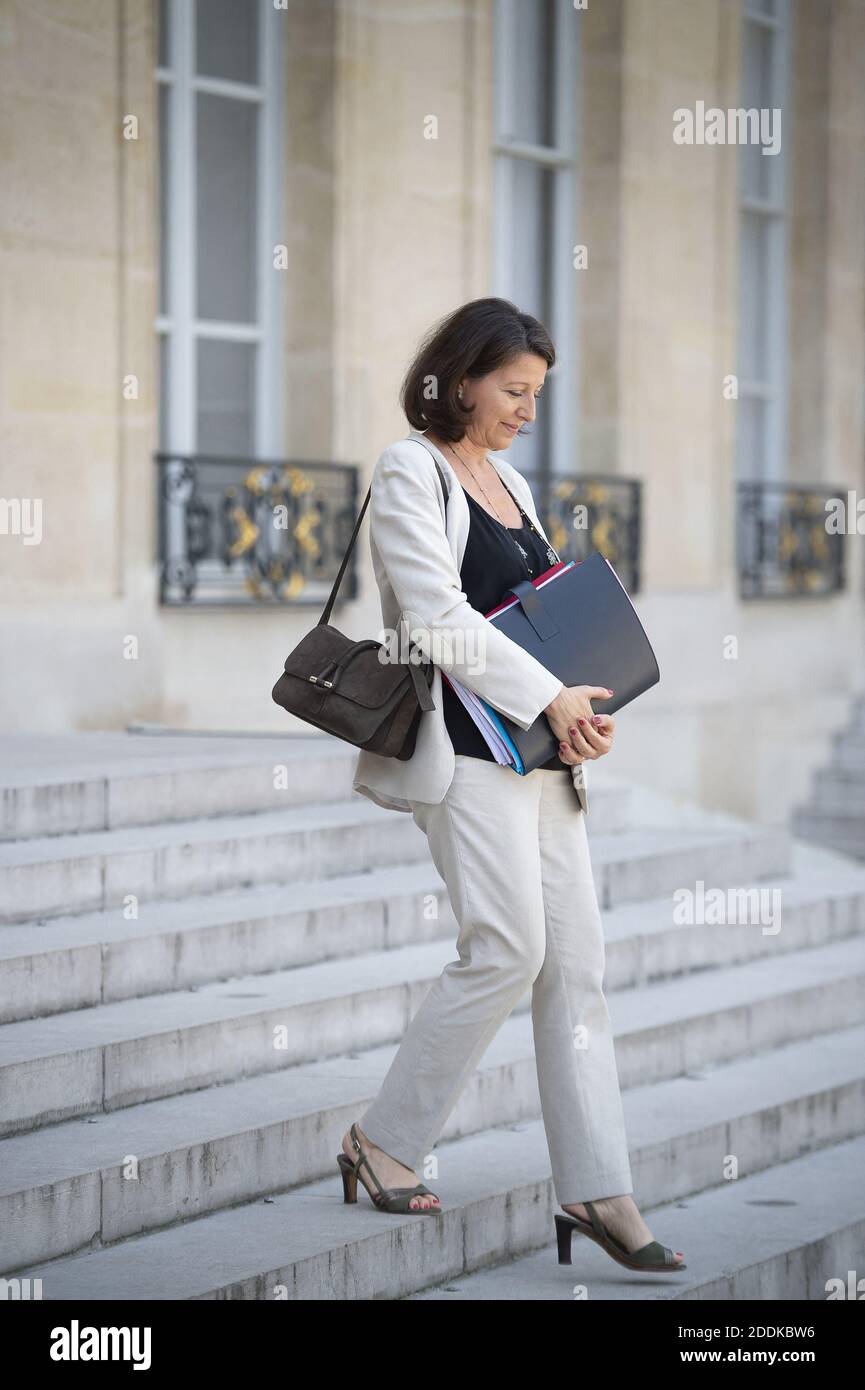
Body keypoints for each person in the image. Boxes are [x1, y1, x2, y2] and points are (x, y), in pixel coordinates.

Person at [342, 298, 685, 1273]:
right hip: (462, 756)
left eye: (538, 393)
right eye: (514, 390)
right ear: (459, 380)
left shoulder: (513, 482)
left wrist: (577, 709)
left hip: (541, 757)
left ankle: (597, 1187)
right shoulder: (412, 467)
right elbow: (438, 617)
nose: (529, 409)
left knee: (576, 967)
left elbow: (534, 611)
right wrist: (550, 690)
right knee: (505, 947)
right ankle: (382, 1141)